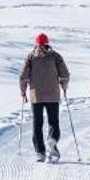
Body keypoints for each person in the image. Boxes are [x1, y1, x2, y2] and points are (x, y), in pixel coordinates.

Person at [19, 32, 70, 162]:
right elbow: (65, 74)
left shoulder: (31, 57)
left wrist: (23, 90)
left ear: (36, 43)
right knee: (53, 122)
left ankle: (40, 152)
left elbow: (23, 76)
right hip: (53, 95)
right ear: (48, 42)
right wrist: (64, 86)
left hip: (36, 96)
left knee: (37, 124)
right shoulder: (55, 56)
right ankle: (52, 140)